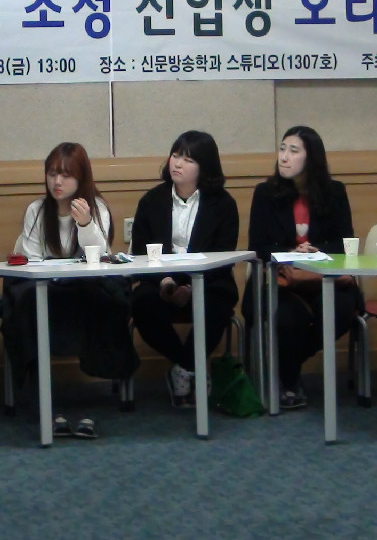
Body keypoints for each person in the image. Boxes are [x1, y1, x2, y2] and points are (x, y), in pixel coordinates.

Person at [2, 142, 131, 438]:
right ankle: (44, 406)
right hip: (46, 290)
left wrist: (84, 224)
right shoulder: (37, 210)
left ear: (81, 178)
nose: (57, 182)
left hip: (84, 290)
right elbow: (30, 260)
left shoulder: (96, 208)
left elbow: (99, 256)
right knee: (27, 306)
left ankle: (97, 402)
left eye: (66, 175)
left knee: (104, 302)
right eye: (52, 174)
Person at [245, 125, 357, 411]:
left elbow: (344, 242)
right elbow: (258, 246)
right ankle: (289, 379)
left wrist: (317, 250)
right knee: (287, 317)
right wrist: (289, 253)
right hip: (281, 280)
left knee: (343, 310)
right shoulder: (265, 193)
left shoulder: (334, 192)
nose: (284, 157)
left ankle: (286, 367)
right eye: (282, 149)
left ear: (312, 158)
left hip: (321, 278)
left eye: (293, 151)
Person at [129, 131, 241, 409]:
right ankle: (191, 366)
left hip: (207, 280)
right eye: (175, 155)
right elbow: (140, 254)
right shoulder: (151, 201)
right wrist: (166, 283)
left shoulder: (223, 204)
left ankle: (183, 369)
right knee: (142, 303)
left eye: (188, 159)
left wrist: (191, 287)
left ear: (205, 167)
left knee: (218, 302)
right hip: (160, 280)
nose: (177, 163)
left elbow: (223, 256)